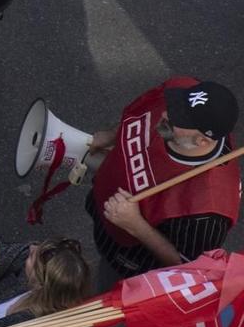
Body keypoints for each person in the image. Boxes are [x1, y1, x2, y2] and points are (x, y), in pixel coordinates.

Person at [84, 77, 238, 279]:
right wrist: (112, 135)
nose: (166, 114)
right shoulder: (181, 90)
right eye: (177, 106)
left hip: (128, 261)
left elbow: (190, 267)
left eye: (180, 119)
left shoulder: (208, 209)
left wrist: (136, 226)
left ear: (203, 140)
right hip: (103, 213)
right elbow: (140, 115)